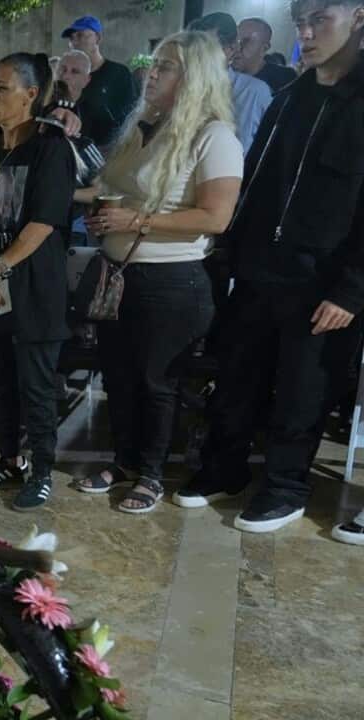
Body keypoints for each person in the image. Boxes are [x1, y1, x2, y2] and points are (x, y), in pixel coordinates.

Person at [183, 0, 364, 534]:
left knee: (304, 390)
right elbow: (258, 184)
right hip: (262, 269)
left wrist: (353, 290)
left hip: (326, 281)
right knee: (238, 376)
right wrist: (231, 252)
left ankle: (285, 488)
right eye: (301, 23)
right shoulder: (291, 98)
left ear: (358, 16)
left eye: (319, 22)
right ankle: (225, 468)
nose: (305, 34)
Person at [74, 31, 243, 513]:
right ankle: (124, 461)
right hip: (118, 273)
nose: (152, 73)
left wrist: (138, 221)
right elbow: (113, 190)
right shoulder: (144, 127)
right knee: (119, 376)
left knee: (156, 381)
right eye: (155, 63)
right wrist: (96, 211)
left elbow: (216, 217)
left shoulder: (214, 137)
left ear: (194, 79)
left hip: (172, 280)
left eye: (166, 67)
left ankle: (151, 473)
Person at [0, 54, 77, 510]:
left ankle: (42, 468)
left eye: (1, 89)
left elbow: (43, 223)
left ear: (31, 95)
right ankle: (9, 458)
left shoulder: (50, 148)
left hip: (32, 285)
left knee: (36, 384)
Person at [188, 12, 273, 153]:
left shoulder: (253, 92)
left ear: (231, 49)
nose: (199, 56)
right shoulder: (186, 87)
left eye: (208, 48)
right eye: (195, 49)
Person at [63, 15, 139, 150]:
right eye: (71, 38)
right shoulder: (66, 77)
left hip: (107, 155)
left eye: (80, 36)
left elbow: (131, 117)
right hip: (72, 154)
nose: (74, 42)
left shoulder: (118, 73)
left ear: (97, 38)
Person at [235, 17, 300, 92]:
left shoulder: (285, 78)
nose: (237, 47)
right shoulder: (224, 75)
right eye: (235, 40)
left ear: (264, 48)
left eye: (246, 41)